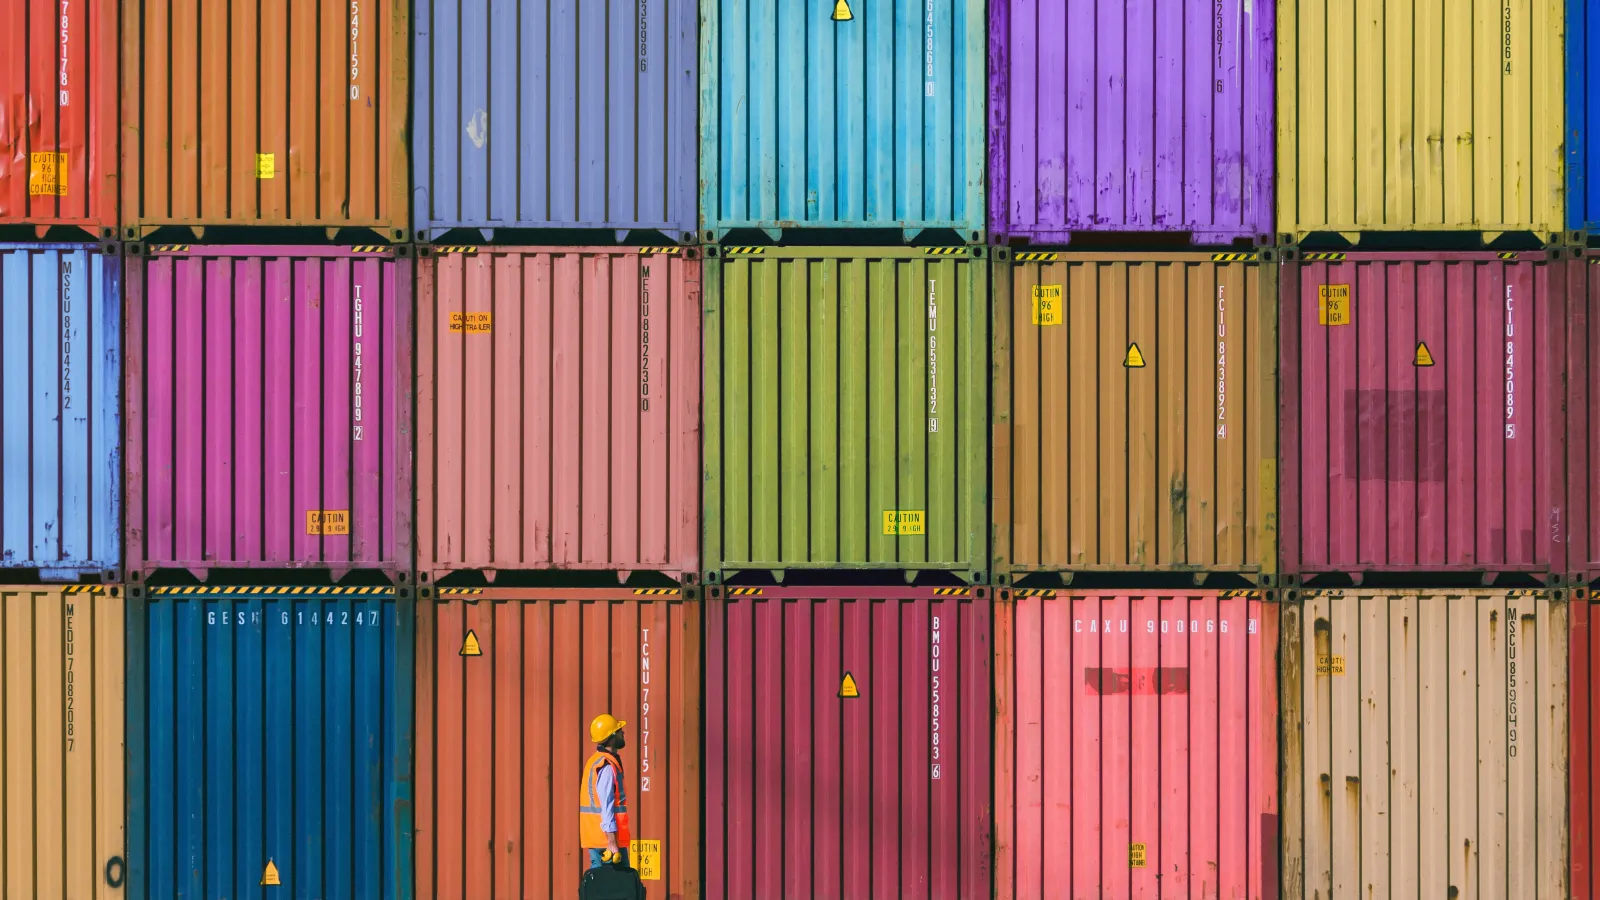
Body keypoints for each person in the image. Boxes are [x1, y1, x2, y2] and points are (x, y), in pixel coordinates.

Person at [579, 713, 630, 870]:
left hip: (599, 839)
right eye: (620, 730)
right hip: (607, 843)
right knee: (617, 890)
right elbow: (606, 805)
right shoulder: (606, 765)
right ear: (612, 736)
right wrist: (612, 843)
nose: (623, 733)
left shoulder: (597, 760)